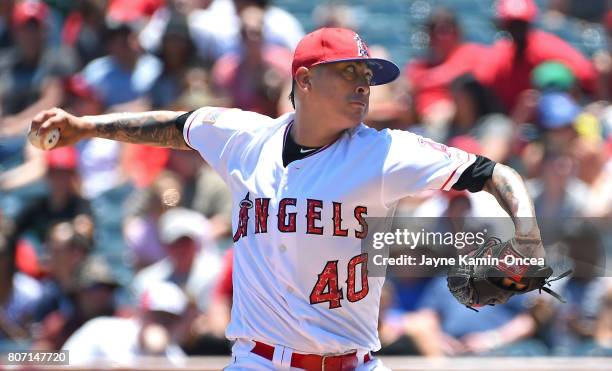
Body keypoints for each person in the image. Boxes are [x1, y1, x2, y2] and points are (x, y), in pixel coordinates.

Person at [30, 27, 547, 370]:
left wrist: (526, 231)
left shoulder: (385, 153)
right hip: (260, 360)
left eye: (368, 76)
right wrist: (84, 126)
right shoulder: (241, 137)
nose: (364, 86)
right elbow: (172, 127)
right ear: (304, 79)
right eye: (350, 72)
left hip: (353, 360)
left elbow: (492, 172)